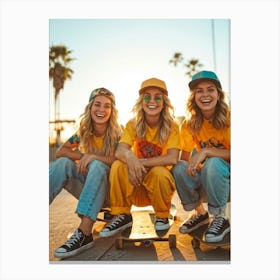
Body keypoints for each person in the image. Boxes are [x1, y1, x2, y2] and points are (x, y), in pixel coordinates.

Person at [100, 77, 181, 237]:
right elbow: (120, 151)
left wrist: (139, 162)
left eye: (158, 97)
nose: (152, 101)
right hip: (135, 184)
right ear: (141, 101)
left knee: (158, 171)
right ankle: (122, 215)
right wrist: (130, 156)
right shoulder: (133, 124)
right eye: (147, 96)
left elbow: (172, 158)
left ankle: (162, 216)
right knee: (118, 165)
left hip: (159, 190)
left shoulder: (172, 126)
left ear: (164, 102)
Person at [49, 87, 121, 258]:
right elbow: (61, 151)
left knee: (96, 165)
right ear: (90, 108)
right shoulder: (84, 131)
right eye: (97, 104)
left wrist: (93, 157)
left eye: (107, 106)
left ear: (112, 111)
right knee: (63, 164)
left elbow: (121, 161)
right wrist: (84, 156)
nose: (101, 110)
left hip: (113, 193)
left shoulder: (118, 132)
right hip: (90, 187)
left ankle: (85, 232)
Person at [172, 70, 230, 243]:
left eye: (210, 89)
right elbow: (184, 159)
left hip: (229, 176)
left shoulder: (230, 119)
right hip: (210, 175)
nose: (205, 94)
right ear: (194, 97)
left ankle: (220, 218)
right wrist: (191, 168)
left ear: (218, 94)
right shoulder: (189, 125)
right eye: (199, 91)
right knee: (180, 167)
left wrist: (206, 151)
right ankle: (201, 214)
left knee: (212, 163)